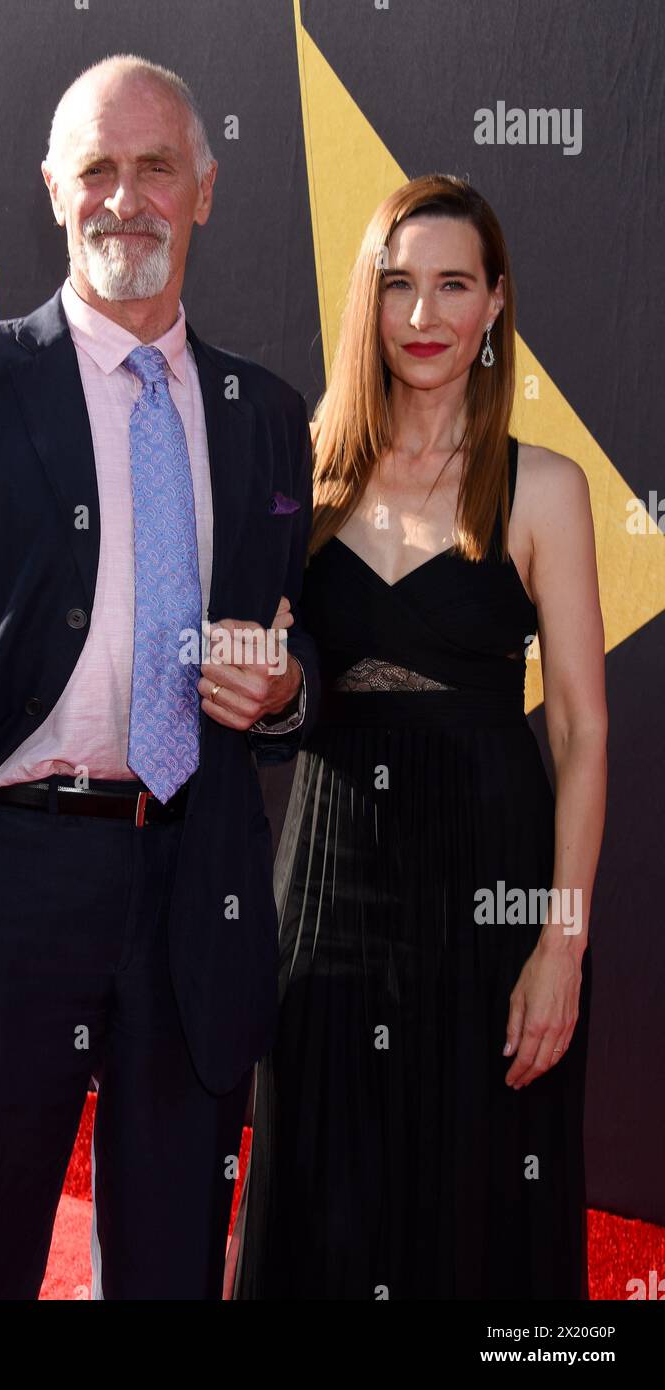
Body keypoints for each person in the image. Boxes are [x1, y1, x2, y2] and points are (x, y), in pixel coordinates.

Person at [0, 53, 319, 1301]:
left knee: (165, 1274)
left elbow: (294, 638)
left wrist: (285, 691)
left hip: (192, 885)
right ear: (53, 188)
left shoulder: (265, 414)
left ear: (204, 189)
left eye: (155, 165)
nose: (126, 197)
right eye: (96, 168)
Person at [227, 174, 607, 1299]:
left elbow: (584, 728)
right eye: (399, 286)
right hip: (331, 877)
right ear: (368, 301)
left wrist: (562, 942)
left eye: (453, 285)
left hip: (494, 885)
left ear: (497, 304)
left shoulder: (543, 488)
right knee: (325, 1177)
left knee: (485, 1194)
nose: (424, 316)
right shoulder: (301, 475)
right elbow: (262, 678)